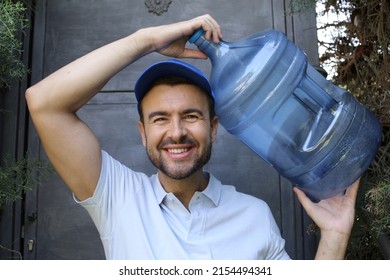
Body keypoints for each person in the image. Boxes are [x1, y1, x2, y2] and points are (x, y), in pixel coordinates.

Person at [25, 14, 359, 260]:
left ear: (213, 127)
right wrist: (146, 40)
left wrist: (335, 233)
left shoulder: (254, 215)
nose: (177, 132)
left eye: (190, 116)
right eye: (160, 119)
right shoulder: (118, 198)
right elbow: (44, 104)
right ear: (143, 133)